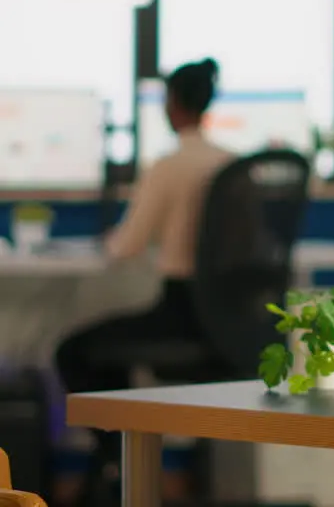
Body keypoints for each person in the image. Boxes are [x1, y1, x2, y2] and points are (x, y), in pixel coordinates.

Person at [55, 58, 234, 503]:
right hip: (231, 323)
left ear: (172, 106)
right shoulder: (233, 164)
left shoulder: (169, 165)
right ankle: (128, 469)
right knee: (108, 354)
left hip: (180, 313)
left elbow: (127, 246)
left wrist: (104, 241)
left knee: (76, 352)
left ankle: (119, 467)